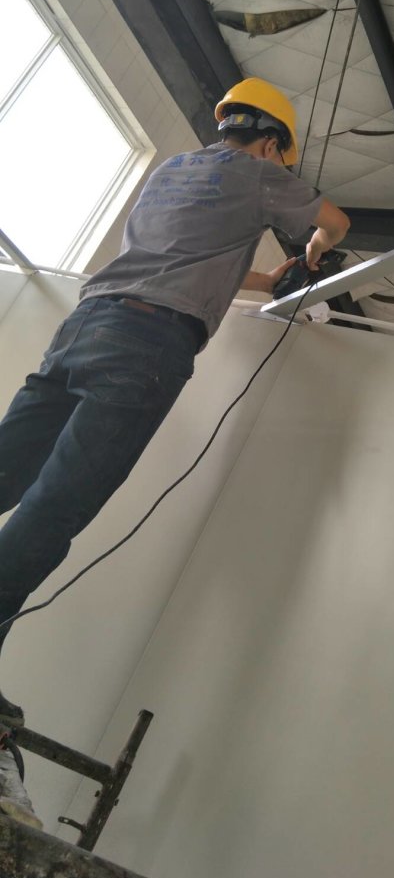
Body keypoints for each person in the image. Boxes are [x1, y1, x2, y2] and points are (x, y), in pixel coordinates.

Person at [0, 78, 350, 725]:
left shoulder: (173, 170)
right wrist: (313, 249)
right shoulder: (260, 173)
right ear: (271, 143)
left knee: (7, 471)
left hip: (84, 326)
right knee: (54, 506)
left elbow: (177, 255)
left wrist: (264, 280)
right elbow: (335, 223)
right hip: (147, 347)